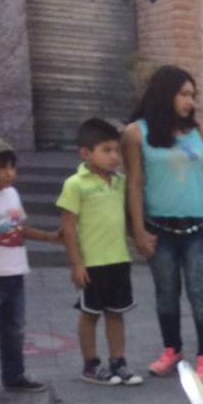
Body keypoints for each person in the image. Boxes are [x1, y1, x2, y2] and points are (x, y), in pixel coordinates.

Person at [123, 65, 203, 385]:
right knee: (166, 293)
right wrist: (138, 230)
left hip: (199, 227)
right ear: (165, 94)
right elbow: (134, 183)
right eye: (184, 94)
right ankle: (172, 350)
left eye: (193, 95)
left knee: (199, 291)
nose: (190, 101)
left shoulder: (197, 130)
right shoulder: (136, 133)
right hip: (159, 228)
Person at [0, 138, 61, 404]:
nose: (10, 173)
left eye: (12, 166)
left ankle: (14, 376)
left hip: (14, 274)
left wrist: (49, 237)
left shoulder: (12, 195)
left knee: (15, 330)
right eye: (3, 167)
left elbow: (19, 228)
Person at [56, 118, 143, 386]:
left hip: (118, 259)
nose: (114, 156)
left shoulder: (120, 183)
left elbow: (127, 217)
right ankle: (91, 365)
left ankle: (118, 361)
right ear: (86, 153)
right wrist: (76, 264)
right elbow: (68, 227)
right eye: (106, 150)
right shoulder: (75, 184)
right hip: (92, 263)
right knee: (90, 314)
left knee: (116, 313)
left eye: (116, 150)